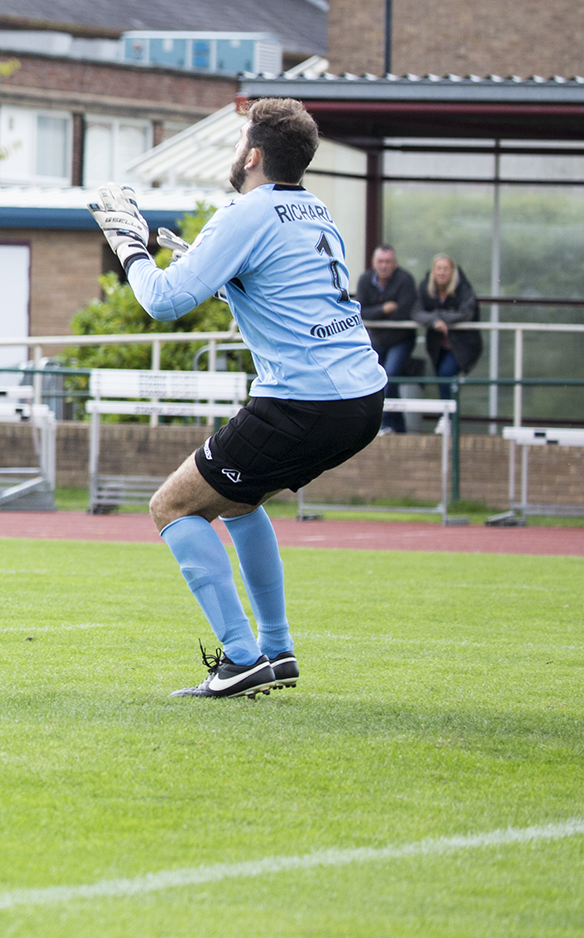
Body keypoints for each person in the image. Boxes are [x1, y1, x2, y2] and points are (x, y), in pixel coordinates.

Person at [88, 98, 386, 699]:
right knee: (240, 499)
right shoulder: (315, 210)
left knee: (172, 507)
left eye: (239, 141)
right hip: (362, 396)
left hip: (305, 399)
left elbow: (164, 301)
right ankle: (275, 651)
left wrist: (129, 248)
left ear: (252, 154)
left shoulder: (245, 213)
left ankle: (242, 658)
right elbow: (282, 289)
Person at [356, 243, 417, 433]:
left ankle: (391, 425)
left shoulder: (405, 280)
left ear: (395, 263)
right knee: (375, 380)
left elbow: (405, 312)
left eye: (388, 262)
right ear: (373, 263)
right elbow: (360, 311)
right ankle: (387, 426)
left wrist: (375, 313)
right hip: (375, 340)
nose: (384, 266)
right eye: (380, 261)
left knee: (389, 376)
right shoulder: (365, 280)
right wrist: (384, 309)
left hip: (400, 340)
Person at [415, 253, 482, 402]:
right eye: (438, 268)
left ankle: (447, 418)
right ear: (433, 271)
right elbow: (416, 311)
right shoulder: (425, 288)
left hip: (463, 344)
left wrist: (440, 317)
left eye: (446, 268)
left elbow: (466, 314)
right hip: (437, 345)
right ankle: (447, 417)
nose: (442, 272)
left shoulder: (464, 289)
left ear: (453, 271)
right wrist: (434, 321)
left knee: (446, 373)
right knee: (441, 377)